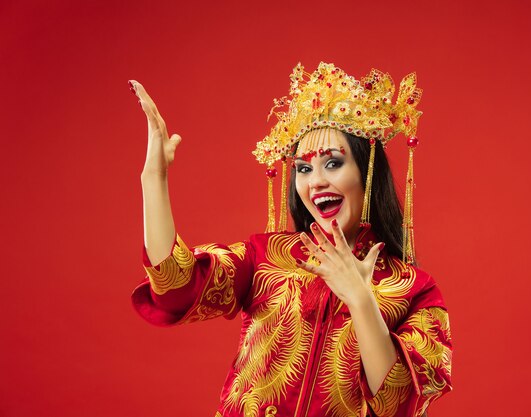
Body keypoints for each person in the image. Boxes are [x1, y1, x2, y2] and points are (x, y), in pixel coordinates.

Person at [130, 62, 452, 417]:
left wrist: (361, 299)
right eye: (302, 168)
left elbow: (398, 403)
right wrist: (153, 177)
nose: (314, 183)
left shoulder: (414, 289)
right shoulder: (267, 257)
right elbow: (174, 286)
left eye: (332, 164)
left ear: (367, 171)